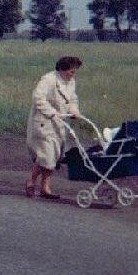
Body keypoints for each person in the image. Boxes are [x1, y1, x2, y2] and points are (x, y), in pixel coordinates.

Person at [25, 55, 82, 199]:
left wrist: (74, 110)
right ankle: (32, 182)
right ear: (63, 69)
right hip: (44, 122)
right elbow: (38, 98)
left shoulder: (71, 82)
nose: (73, 74)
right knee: (47, 155)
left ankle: (44, 187)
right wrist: (51, 112)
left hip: (59, 123)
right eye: (71, 71)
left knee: (54, 156)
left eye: (74, 71)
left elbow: (72, 99)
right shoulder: (48, 80)